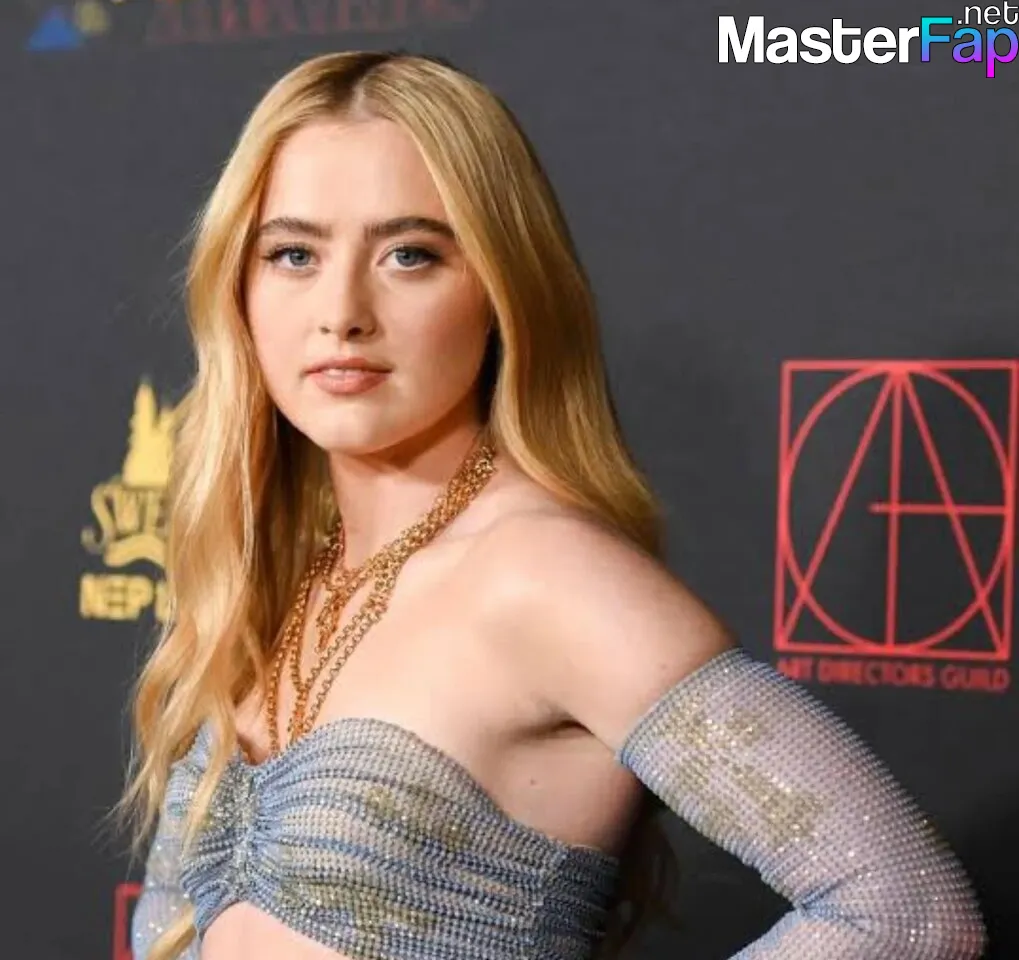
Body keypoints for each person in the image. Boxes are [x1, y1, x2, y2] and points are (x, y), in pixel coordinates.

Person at [121, 50, 987, 960]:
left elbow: (902, 911)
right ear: (238, 287)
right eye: (293, 254)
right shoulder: (286, 581)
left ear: (501, 288)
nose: (342, 311)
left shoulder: (544, 575)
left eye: (410, 255)